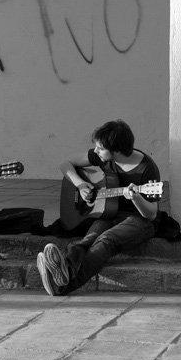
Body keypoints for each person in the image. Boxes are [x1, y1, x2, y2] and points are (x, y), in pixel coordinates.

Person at [37, 119, 161, 296]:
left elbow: (151, 214)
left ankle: (62, 284)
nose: (96, 151)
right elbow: (65, 164)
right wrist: (80, 185)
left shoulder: (147, 169)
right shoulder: (103, 157)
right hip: (110, 213)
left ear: (116, 150)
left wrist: (136, 198)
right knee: (88, 240)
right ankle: (61, 273)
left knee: (106, 240)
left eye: (100, 148)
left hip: (140, 220)